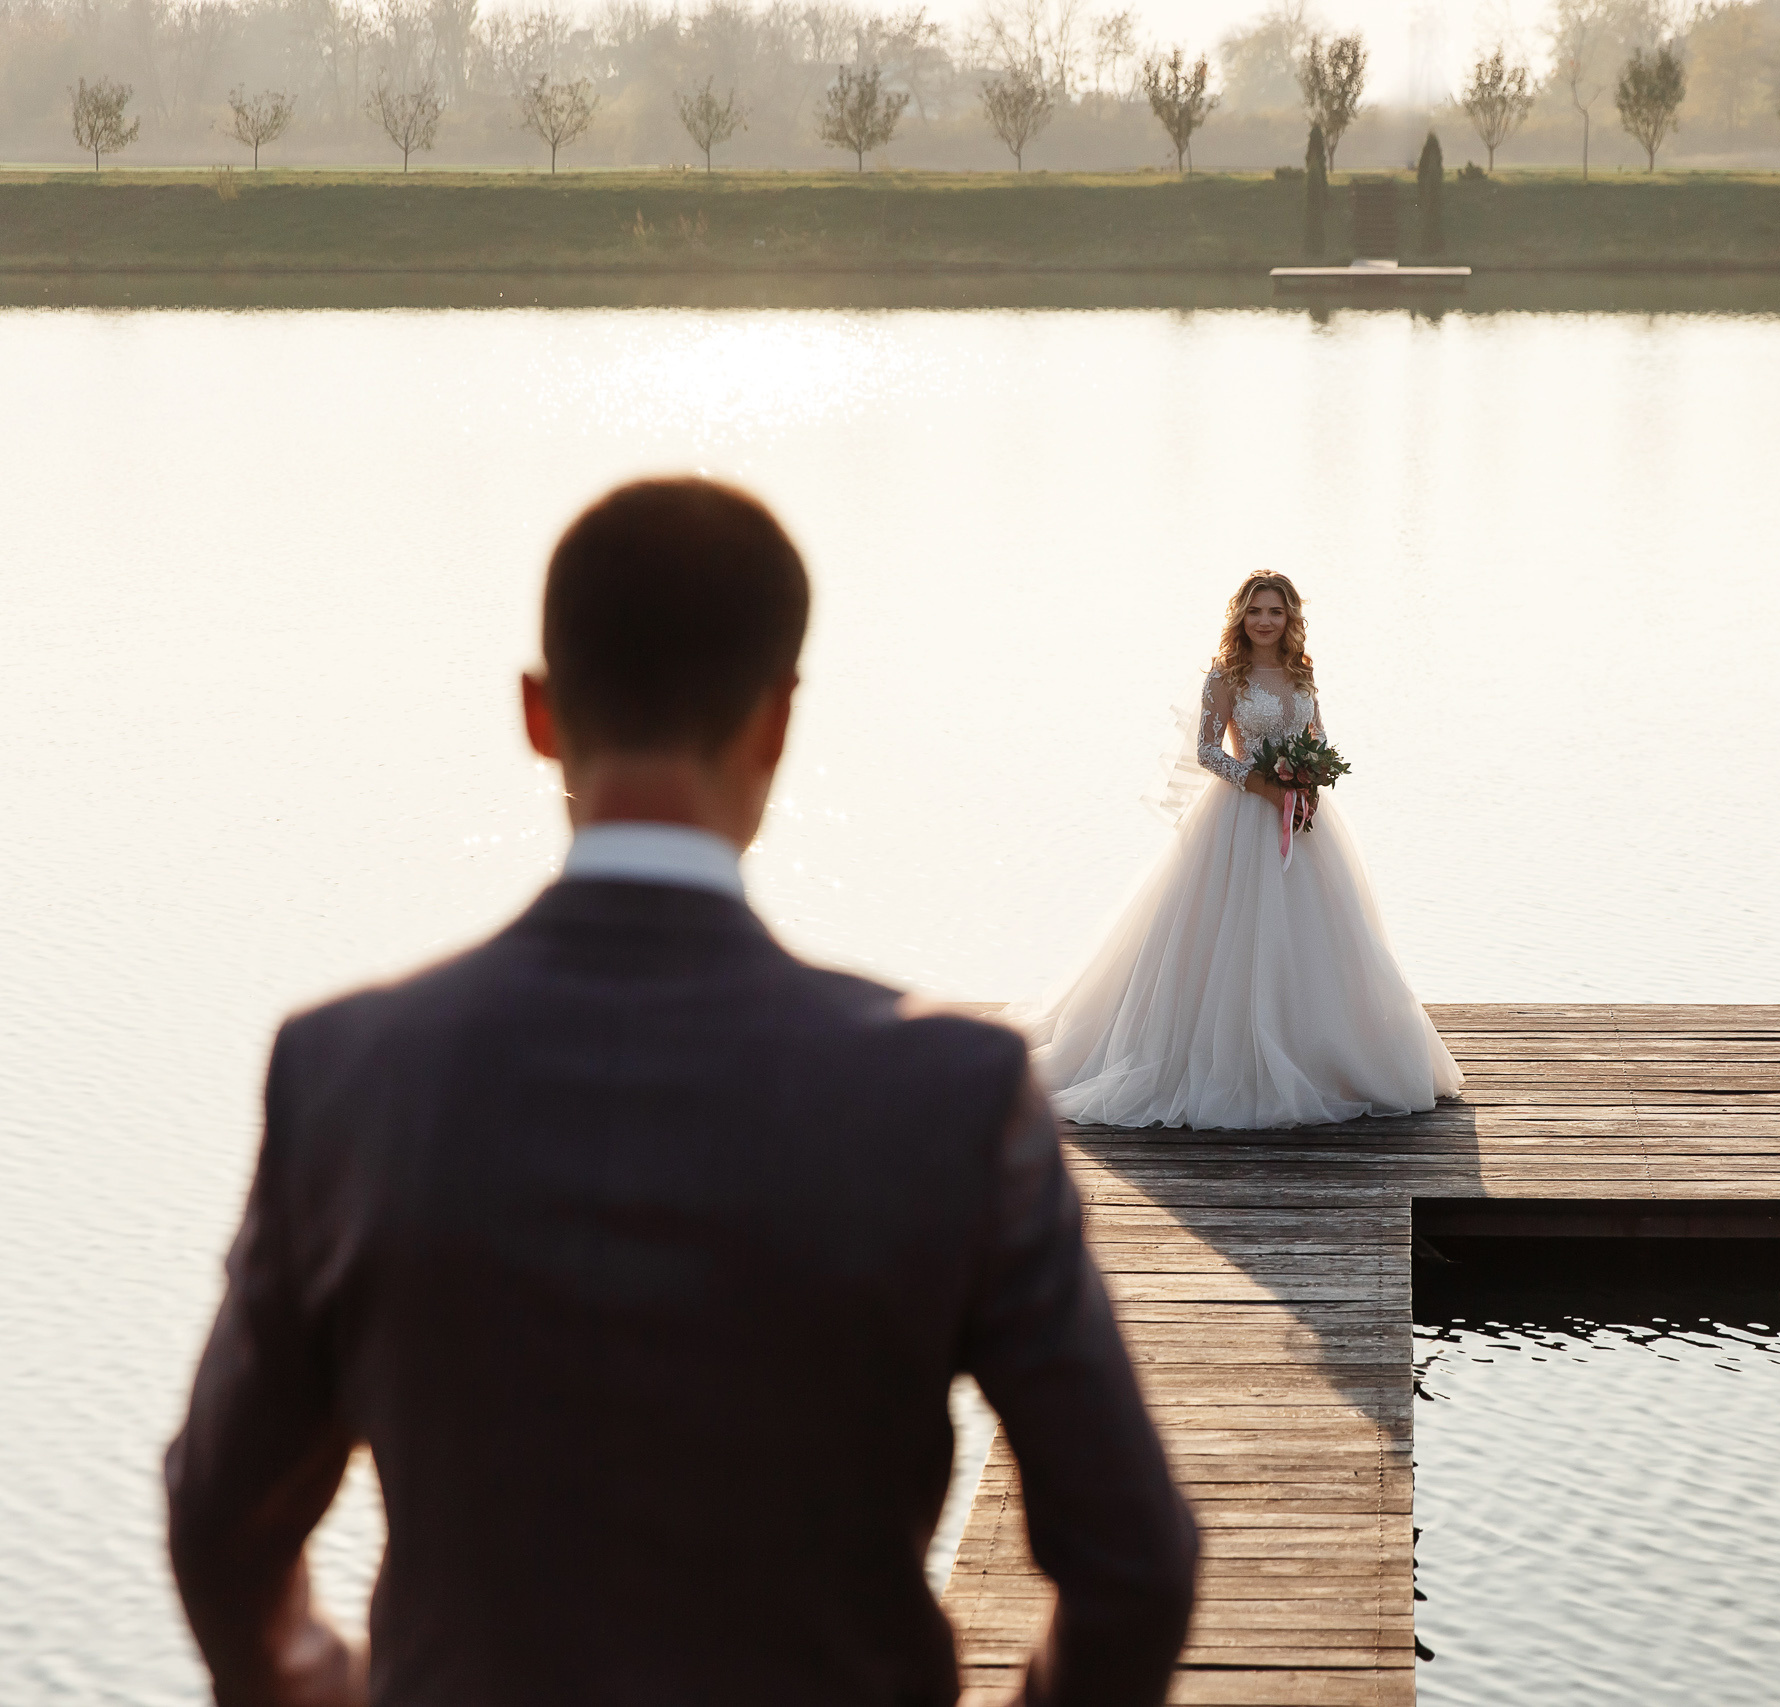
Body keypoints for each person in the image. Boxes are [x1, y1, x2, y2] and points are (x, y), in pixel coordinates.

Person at [164, 478, 1197, 1707]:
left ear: (540, 715)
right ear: (777, 720)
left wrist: (318, 1681)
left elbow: (224, 1521)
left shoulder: (349, 1071)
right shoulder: (948, 1096)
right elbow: (1132, 1564)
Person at [1010, 573, 1461, 1130]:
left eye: (1275, 611)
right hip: (1240, 815)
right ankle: (1225, 1055)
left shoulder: (1303, 673)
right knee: (1228, 934)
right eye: (1255, 612)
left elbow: (1318, 737)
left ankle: (1325, 1054)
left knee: (1320, 938)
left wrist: (1309, 784)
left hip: (1301, 817)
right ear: (1240, 618)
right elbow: (1205, 752)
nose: (1265, 621)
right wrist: (1265, 785)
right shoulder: (1225, 676)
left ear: (1291, 617)